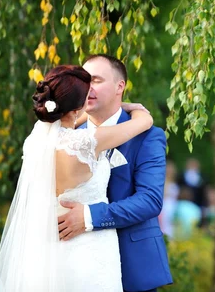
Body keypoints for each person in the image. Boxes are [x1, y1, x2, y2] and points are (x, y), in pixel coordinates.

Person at [0, 65, 153, 291]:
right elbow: (144, 122)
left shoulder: (35, 141)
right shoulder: (88, 142)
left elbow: (66, 120)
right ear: (79, 106)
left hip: (47, 251)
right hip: (90, 251)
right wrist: (131, 107)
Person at [57, 54, 173, 292]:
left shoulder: (148, 135)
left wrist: (89, 217)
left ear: (120, 86)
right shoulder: (66, 136)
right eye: (84, 81)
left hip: (132, 265)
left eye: (96, 80)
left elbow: (150, 200)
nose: (88, 88)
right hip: (72, 261)